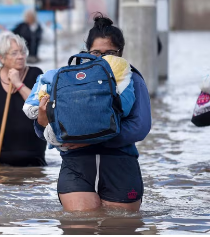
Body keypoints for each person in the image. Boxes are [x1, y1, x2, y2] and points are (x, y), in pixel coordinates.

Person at [35, 14, 152, 212]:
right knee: (80, 227)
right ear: (87, 51)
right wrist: (41, 121)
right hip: (77, 166)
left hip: (120, 165)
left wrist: (89, 140)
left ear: (120, 53)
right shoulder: (70, 79)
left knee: (120, 228)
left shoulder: (133, 80)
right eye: (96, 53)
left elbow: (140, 127)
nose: (103, 59)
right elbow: (44, 131)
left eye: (110, 53)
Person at [0, 34, 47, 166]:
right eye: (14, 53)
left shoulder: (36, 74)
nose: (21, 56)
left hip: (33, 156)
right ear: (1, 58)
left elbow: (39, 106)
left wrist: (18, 84)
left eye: (23, 52)